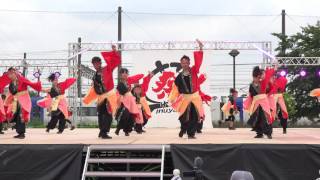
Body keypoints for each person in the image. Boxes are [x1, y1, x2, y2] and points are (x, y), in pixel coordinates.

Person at [168, 39, 204, 139]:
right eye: (183, 63)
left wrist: (200, 48)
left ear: (189, 63)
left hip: (195, 97)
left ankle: (191, 134)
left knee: (195, 116)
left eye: (186, 62)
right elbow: (175, 89)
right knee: (184, 117)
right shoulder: (179, 77)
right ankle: (183, 129)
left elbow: (198, 62)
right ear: (181, 64)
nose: (184, 64)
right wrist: (172, 98)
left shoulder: (194, 71)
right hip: (185, 98)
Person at [83, 45, 120, 139]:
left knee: (108, 114)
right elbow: (95, 87)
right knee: (101, 114)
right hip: (101, 96)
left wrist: (114, 51)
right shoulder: (95, 74)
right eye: (94, 64)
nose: (96, 65)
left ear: (100, 63)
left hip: (109, 95)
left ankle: (104, 132)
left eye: (97, 63)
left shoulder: (107, 69)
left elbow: (115, 62)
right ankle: (102, 131)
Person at [4, 67, 42, 139]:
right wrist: (7, 101)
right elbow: (12, 93)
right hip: (16, 101)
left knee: (21, 116)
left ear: (14, 73)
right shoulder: (11, 83)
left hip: (23, 99)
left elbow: (30, 84)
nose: (10, 76)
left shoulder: (21, 79)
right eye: (9, 75)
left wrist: (39, 87)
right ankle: (19, 132)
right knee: (15, 115)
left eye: (11, 74)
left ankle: (22, 133)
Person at [244, 66, 274, 139]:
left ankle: (268, 133)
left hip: (263, 102)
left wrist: (270, 81)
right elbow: (251, 95)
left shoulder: (263, 83)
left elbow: (269, 89)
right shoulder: (251, 85)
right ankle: (259, 133)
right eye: (255, 77)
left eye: (258, 77)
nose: (256, 79)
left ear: (259, 76)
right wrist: (249, 104)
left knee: (265, 117)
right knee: (256, 118)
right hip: (256, 103)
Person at [114, 68, 143, 136]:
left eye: (126, 73)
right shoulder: (120, 84)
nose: (125, 74)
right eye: (123, 73)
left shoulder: (128, 83)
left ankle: (126, 130)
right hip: (123, 102)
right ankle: (118, 128)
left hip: (130, 102)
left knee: (131, 117)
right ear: (120, 75)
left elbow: (131, 92)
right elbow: (122, 93)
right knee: (125, 115)